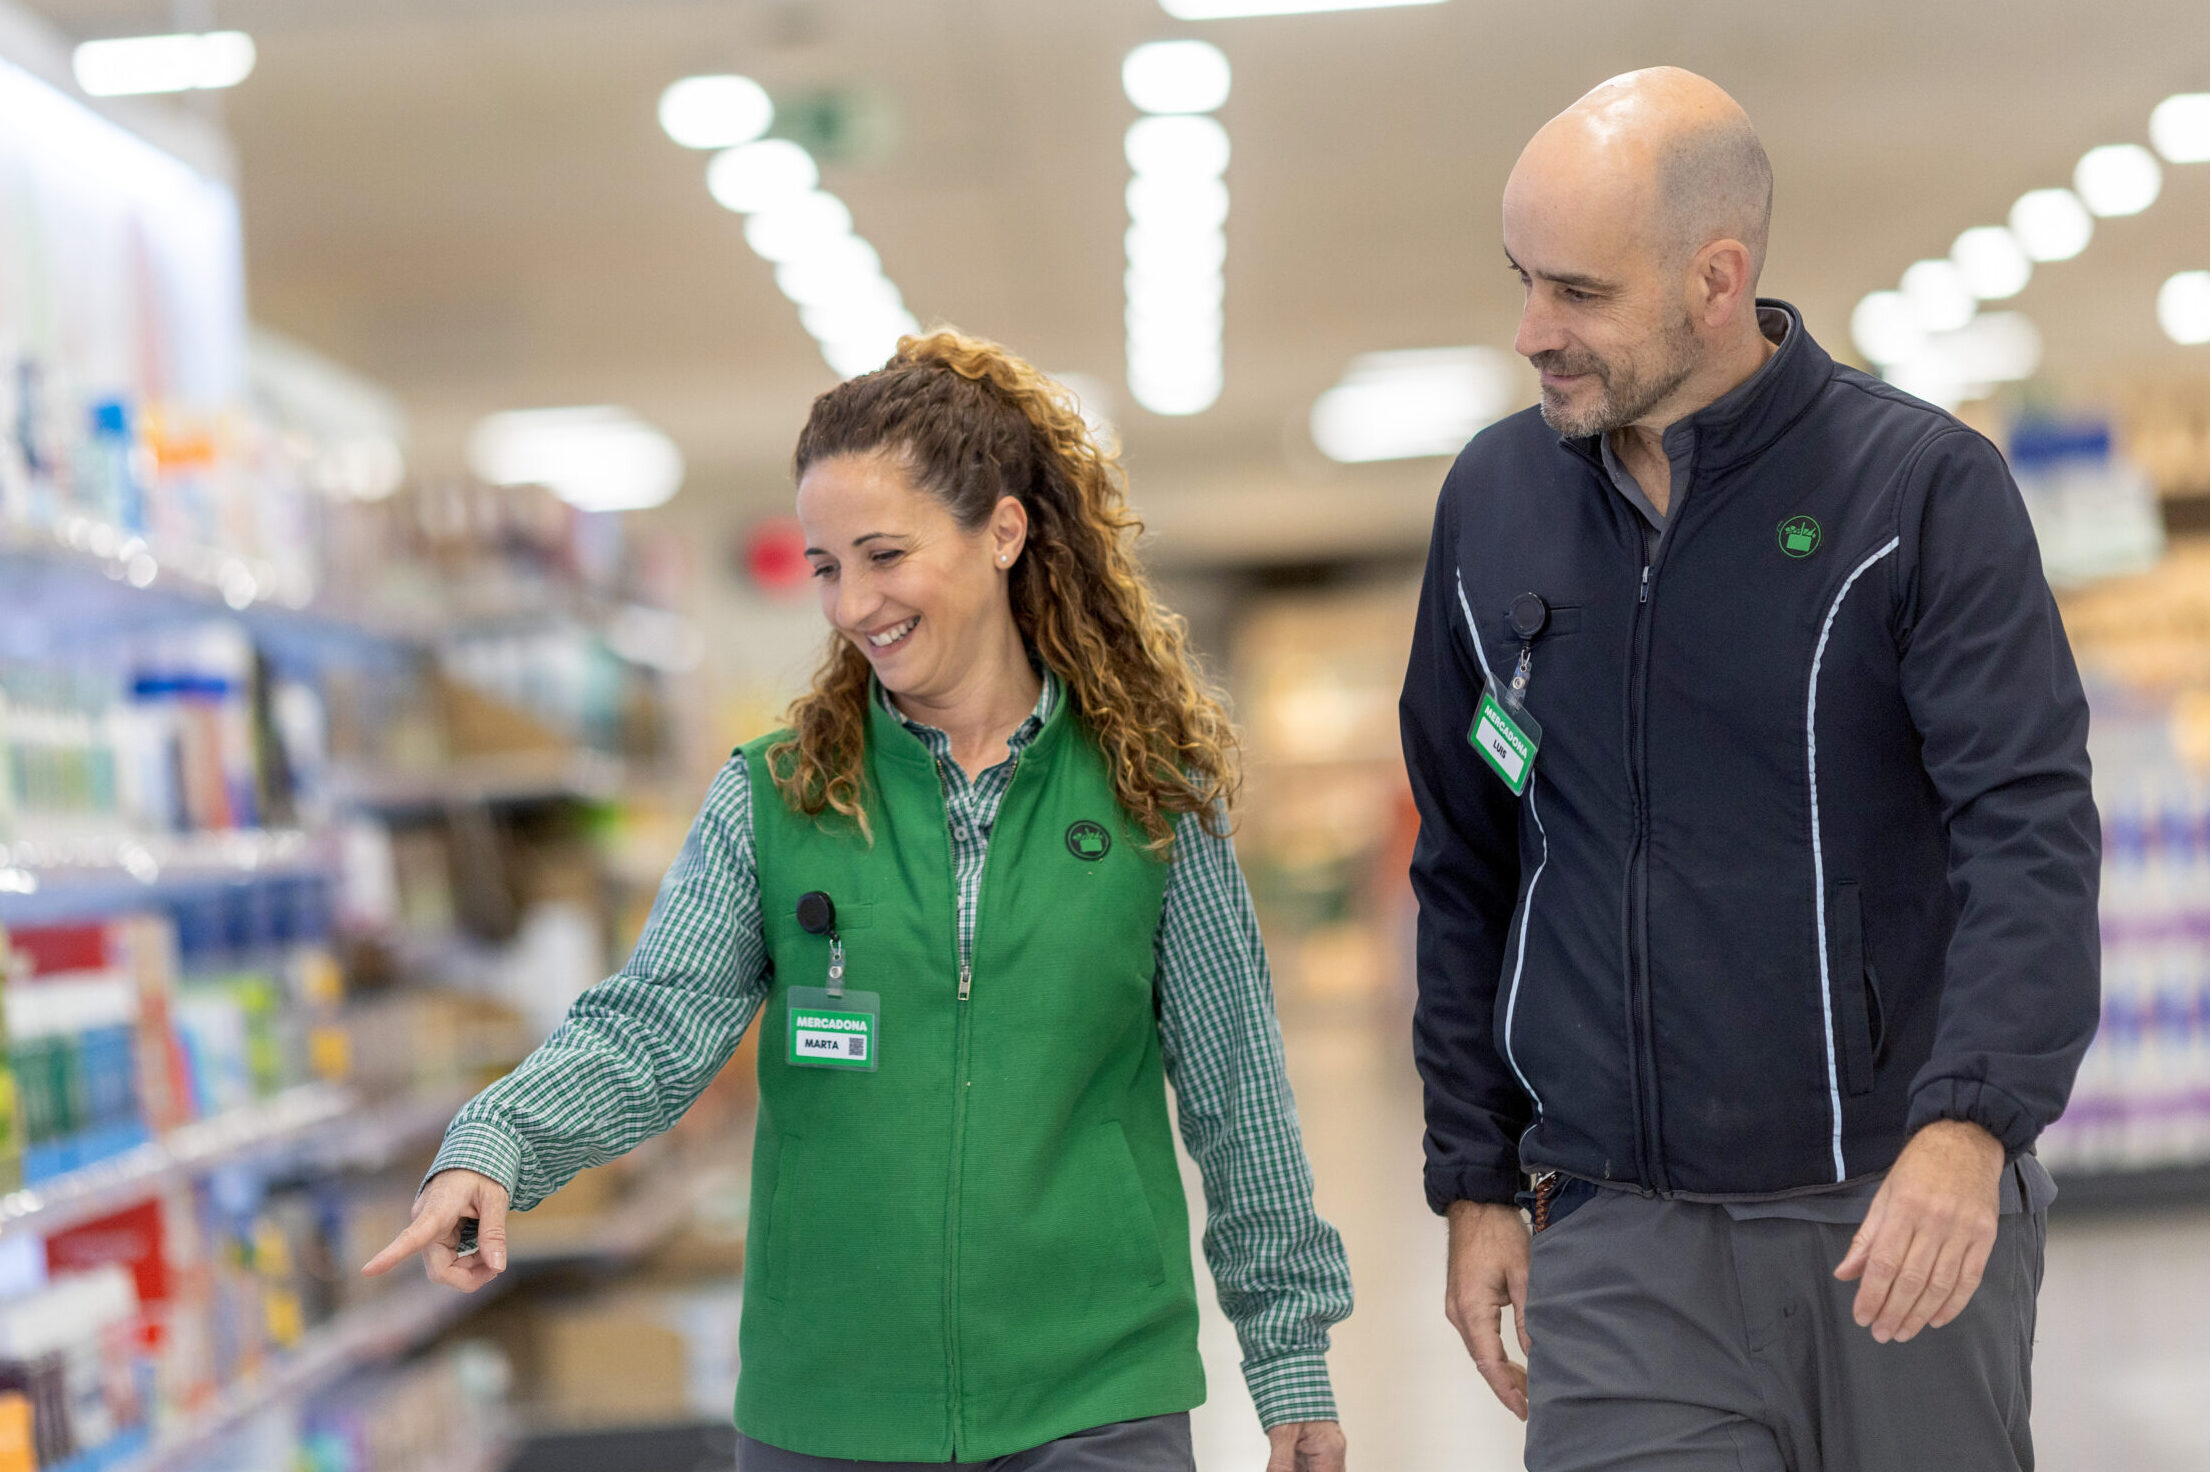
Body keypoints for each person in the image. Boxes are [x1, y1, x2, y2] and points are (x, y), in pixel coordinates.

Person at [364, 330, 1353, 1472]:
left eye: (883, 554)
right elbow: (650, 1026)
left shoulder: (1147, 794)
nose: (851, 602)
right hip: (827, 1412)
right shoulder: (777, 798)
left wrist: (1291, 1366)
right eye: (825, 565)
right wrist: (498, 1139)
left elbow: (1238, 1097)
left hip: (1094, 1395)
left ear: (1002, 530)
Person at [1398, 67, 2099, 1471]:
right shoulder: (1494, 502)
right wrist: (1475, 1180)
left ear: (1714, 280)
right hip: (1617, 1239)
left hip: (1890, 1219)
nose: (1533, 331)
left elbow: (2023, 830)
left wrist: (1970, 1130)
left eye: (1579, 294)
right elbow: (1463, 862)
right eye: (1521, 279)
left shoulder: (1914, 493)